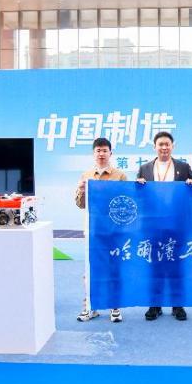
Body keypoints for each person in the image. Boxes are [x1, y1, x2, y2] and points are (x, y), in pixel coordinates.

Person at [137, 131, 192, 321]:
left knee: (176, 266)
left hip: (176, 225)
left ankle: (177, 306)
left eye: (167, 144)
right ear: (154, 147)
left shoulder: (183, 167)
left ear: (173, 146)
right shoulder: (144, 168)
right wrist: (137, 186)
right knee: (155, 266)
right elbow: (139, 198)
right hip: (153, 226)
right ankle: (155, 306)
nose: (164, 147)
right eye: (160, 144)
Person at [75, 137, 127, 323]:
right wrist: (81, 190)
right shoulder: (86, 175)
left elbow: (126, 202)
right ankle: (90, 307)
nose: (101, 154)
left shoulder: (120, 176)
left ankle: (115, 307)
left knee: (114, 268)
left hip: (114, 231)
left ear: (110, 153)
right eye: (98, 150)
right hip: (93, 231)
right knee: (91, 270)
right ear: (93, 153)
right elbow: (80, 204)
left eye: (105, 150)